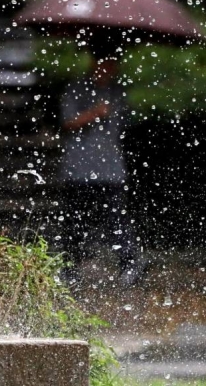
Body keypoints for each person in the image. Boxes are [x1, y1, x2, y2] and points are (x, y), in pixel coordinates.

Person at [55, 46, 141, 286]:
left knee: (117, 219)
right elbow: (67, 122)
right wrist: (94, 113)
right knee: (74, 220)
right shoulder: (76, 89)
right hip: (78, 167)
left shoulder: (118, 92)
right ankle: (71, 267)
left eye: (113, 64)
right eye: (105, 63)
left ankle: (128, 265)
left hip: (110, 169)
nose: (108, 69)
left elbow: (125, 125)